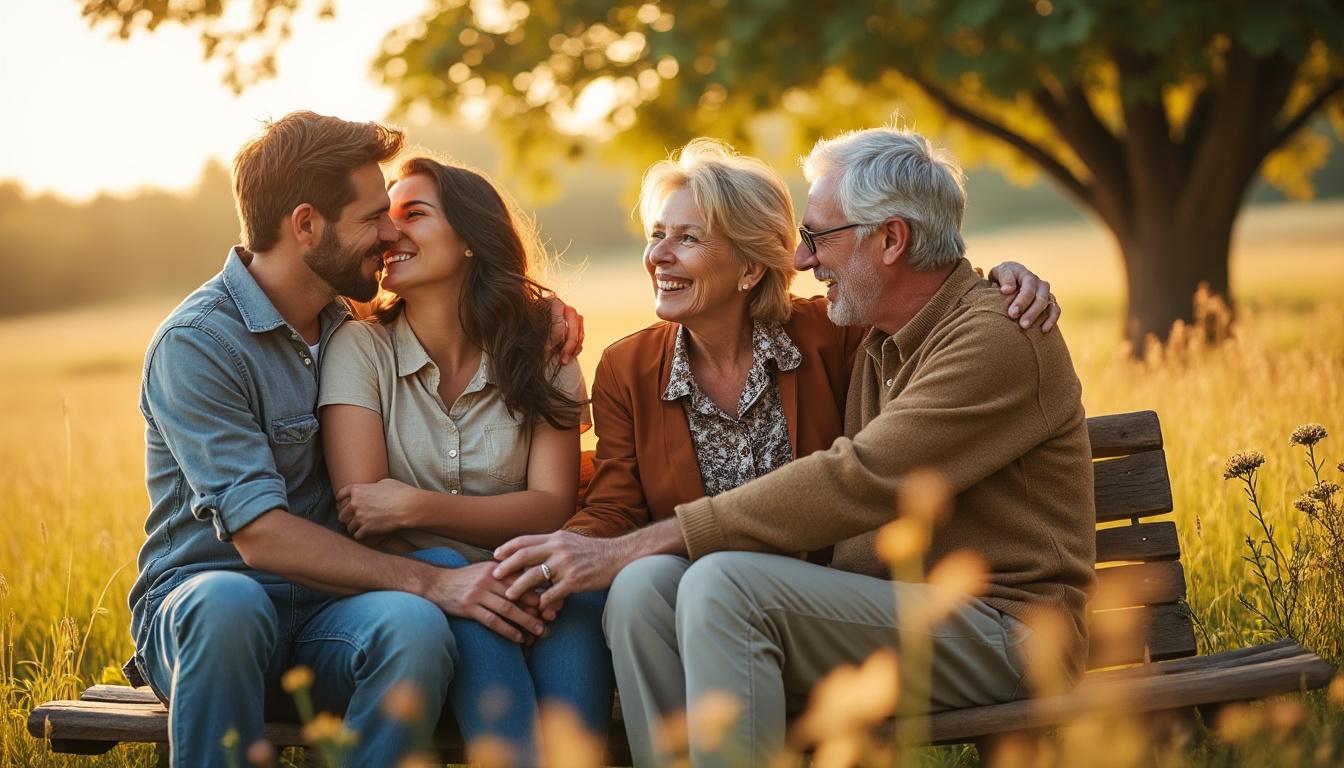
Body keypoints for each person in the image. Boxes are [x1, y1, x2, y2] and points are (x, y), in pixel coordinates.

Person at [491, 135, 1080, 765]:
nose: (801, 257)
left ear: (889, 240)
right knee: (646, 588)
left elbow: (860, 476)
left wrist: (655, 538)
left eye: (819, 236)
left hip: (1004, 631)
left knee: (723, 581)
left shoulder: (986, 336)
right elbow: (935, 278)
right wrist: (540, 310)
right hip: (875, 614)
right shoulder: (880, 334)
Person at [127, 112, 576, 767]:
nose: (391, 232)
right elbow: (260, 536)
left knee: (413, 629)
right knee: (230, 604)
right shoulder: (199, 344)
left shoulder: (348, 318)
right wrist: (432, 581)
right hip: (208, 614)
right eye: (373, 218)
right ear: (306, 225)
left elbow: (463, 298)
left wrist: (546, 313)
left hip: (327, 618)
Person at [316, 156, 610, 764]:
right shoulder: (359, 346)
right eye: (386, 219)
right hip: (423, 587)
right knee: (451, 567)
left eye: (413, 214)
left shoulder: (545, 346)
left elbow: (552, 505)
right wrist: (459, 555)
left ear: (472, 240)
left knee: (572, 587)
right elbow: (366, 510)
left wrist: (415, 505)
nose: (390, 233)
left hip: (536, 576)